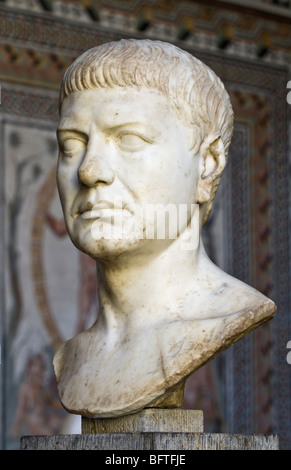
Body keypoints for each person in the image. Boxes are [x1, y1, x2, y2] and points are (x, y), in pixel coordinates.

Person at [53, 39, 276, 418]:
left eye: (129, 139)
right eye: (71, 145)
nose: (89, 171)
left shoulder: (222, 318)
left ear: (207, 165)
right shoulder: (69, 360)